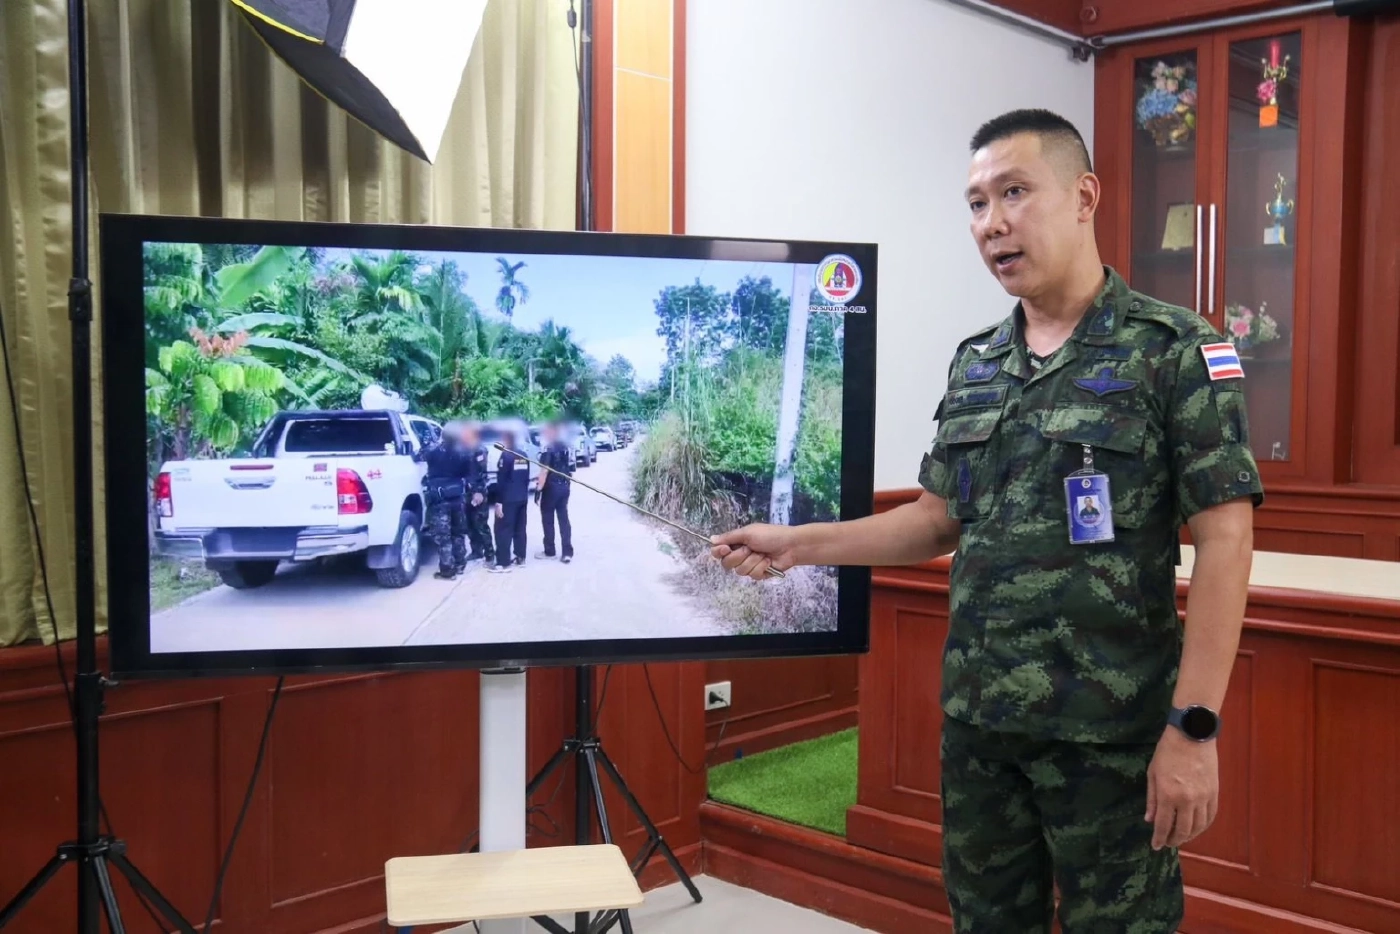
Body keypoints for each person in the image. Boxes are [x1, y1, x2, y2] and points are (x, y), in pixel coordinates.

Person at [709, 109, 1262, 933]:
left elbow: (1225, 542)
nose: (992, 223)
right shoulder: (978, 363)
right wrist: (798, 545)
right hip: (981, 730)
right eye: (975, 203)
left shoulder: (1174, 350)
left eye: (1014, 192)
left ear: (1083, 197)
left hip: (1109, 739)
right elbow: (934, 523)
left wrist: (1194, 729)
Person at [420, 423, 469, 580]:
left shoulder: (433, 451)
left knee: (443, 537)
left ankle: (447, 571)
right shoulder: (462, 453)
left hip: (440, 499)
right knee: (458, 532)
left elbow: (419, 455)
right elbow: (467, 473)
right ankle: (461, 564)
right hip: (457, 497)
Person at [487, 429, 531, 572]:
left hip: (508, 499)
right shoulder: (523, 456)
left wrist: (499, 502)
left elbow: (502, 481)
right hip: (522, 497)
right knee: (520, 528)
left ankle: (503, 563)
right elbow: (526, 477)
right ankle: (520, 558)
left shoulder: (505, 456)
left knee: (502, 530)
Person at [535, 421, 574, 563]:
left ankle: (550, 550)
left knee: (548, 519)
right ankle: (567, 552)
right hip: (564, 486)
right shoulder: (565, 447)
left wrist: (538, 490)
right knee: (564, 518)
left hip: (551, 488)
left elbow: (544, 471)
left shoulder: (548, 449)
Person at [459, 420, 494, 564]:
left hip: (477, 492)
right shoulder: (463, 449)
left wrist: (479, 491)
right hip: (465, 493)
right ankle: (476, 551)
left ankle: (490, 553)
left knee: (481, 524)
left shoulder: (480, 450)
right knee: (469, 524)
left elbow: (482, 473)